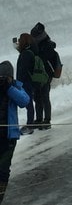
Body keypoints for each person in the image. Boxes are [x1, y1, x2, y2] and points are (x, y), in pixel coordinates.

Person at [0, 60, 30, 204]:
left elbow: (24, 101)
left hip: (8, 138)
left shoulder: (15, 87)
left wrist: (9, 88)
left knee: (3, 170)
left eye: (5, 77)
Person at [30, 22, 61, 130]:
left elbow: (46, 60)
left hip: (46, 75)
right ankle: (39, 119)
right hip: (37, 75)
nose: (33, 38)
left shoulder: (47, 46)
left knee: (44, 96)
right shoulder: (37, 45)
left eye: (34, 36)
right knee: (37, 97)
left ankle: (47, 120)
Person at [14, 35, 35, 135]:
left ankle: (30, 125)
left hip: (26, 82)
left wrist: (19, 82)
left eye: (20, 40)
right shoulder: (26, 51)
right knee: (28, 102)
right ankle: (30, 124)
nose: (18, 41)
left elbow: (24, 70)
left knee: (28, 102)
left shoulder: (26, 54)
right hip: (26, 82)